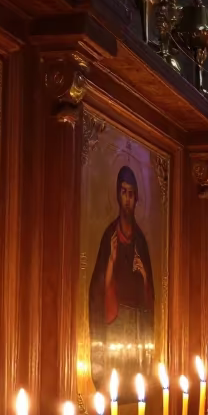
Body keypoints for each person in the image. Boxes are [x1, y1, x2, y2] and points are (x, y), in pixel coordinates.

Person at [87, 165, 156, 395]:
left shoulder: (142, 242)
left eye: (131, 193)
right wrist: (111, 261)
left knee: (132, 383)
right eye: (123, 192)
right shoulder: (110, 237)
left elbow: (150, 296)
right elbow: (97, 291)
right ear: (118, 195)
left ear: (136, 197)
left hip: (136, 325)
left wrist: (145, 276)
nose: (127, 199)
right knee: (117, 384)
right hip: (115, 322)